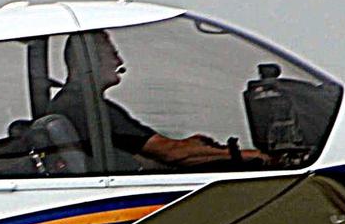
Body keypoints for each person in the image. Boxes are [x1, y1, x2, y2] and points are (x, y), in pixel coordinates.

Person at [48, 29, 266, 171]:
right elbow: (172, 154)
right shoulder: (86, 109)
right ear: (89, 63)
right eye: (111, 54)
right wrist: (250, 156)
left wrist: (192, 145)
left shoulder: (76, 103)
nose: (119, 61)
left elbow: (150, 150)